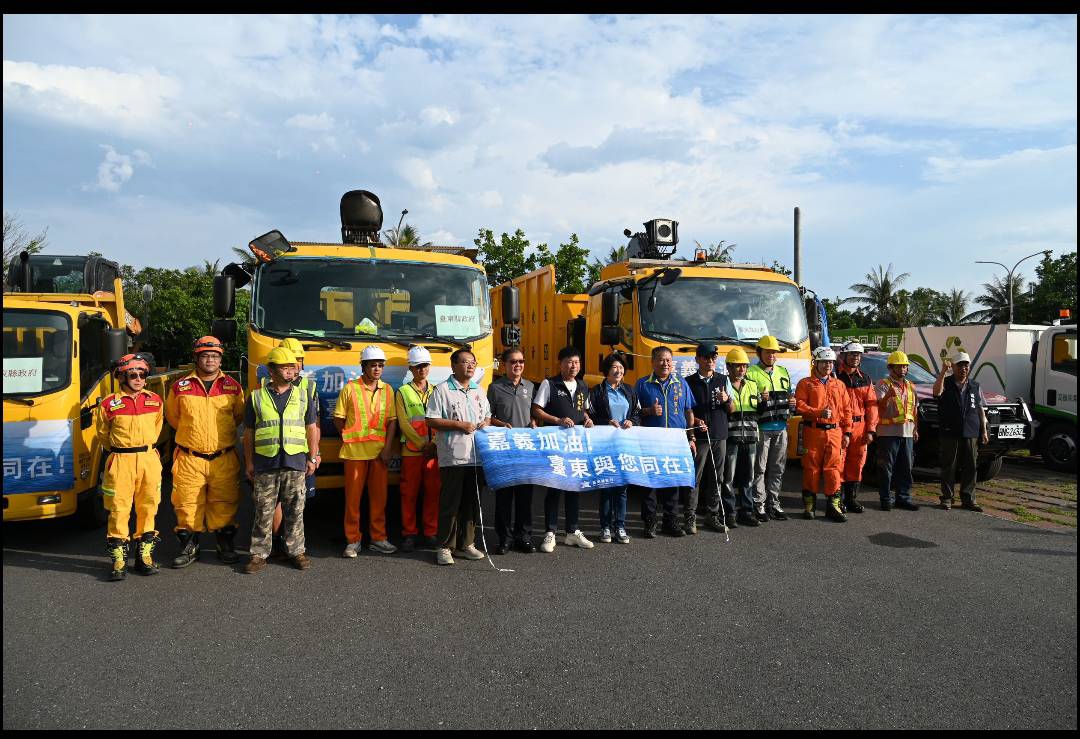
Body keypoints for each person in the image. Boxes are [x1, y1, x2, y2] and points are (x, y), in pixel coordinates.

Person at [166, 336, 246, 568]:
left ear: (221, 359)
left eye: (214, 355)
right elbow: (173, 418)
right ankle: (190, 546)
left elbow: (238, 416)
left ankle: (224, 544)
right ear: (197, 358)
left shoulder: (233, 386)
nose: (210, 359)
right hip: (190, 458)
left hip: (224, 457)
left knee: (225, 502)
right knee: (187, 503)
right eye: (205, 355)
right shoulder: (181, 387)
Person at [241, 347, 319, 574]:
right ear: (271, 370)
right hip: (266, 463)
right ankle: (258, 554)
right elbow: (249, 433)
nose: (290, 372)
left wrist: (312, 457)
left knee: (295, 510)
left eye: (292, 367)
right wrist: (249, 463)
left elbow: (311, 428)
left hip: (295, 462)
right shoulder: (256, 397)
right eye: (285, 368)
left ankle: (297, 551)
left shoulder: (303, 396)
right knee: (263, 511)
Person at [97, 354, 164, 581]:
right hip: (120, 461)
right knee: (118, 508)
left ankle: (144, 556)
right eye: (133, 375)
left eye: (142, 375)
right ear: (122, 377)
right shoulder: (108, 404)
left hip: (148, 459)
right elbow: (103, 435)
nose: (138, 379)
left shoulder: (155, 400)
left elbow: (157, 428)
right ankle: (118, 560)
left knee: (149, 507)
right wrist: (121, 451)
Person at [425, 347, 492, 566]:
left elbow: (488, 416)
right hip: (453, 456)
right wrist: (459, 424)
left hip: (477, 457)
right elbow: (431, 420)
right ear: (453, 366)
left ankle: (467, 544)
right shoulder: (442, 390)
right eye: (465, 362)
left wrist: (485, 423)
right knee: (450, 504)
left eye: (473, 362)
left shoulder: (478, 390)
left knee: (471, 504)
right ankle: (444, 547)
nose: (470, 365)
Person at [335, 345, 399, 557]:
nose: (377, 369)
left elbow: (391, 422)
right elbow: (338, 418)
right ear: (363, 366)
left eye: (380, 365)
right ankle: (353, 540)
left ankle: (378, 538)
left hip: (379, 453)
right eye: (373, 365)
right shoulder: (350, 388)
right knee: (352, 501)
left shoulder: (387, 390)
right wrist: (347, 436)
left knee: (379, 499)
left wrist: (388, 448)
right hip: (354, 453)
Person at [531, 346, 596, 552]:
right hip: (555, 445)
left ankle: (572, 532)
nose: (573, 366)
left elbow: (584, 410)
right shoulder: (549, 384)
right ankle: (550, 533)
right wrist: (557, 420)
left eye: (576, 362)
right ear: (560, 364)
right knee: (554, 487)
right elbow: (536, 410)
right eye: (569, 362)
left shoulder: (583, 386)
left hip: (576, 445)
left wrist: (587, 419)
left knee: (574, 487)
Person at [634, 346, 697, 538]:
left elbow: (689, 412)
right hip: (651, 441)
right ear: (652, 362)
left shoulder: (681, 383)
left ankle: (670, 522)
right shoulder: (642, 384)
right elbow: (634, 413)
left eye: (668, 360)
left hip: (675, 442)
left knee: (673, 482)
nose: (665, 363)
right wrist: (649, 411)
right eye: (661, 360)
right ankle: (650, 522)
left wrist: (691, 437)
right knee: (650, 483)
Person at [269, 337, 320, 558]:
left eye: (298, 360)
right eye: (291, 361)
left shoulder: (309, 386)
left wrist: (315, 453)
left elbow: (314, 423)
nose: (296, 365)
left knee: (297, 500)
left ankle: (293, 544)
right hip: (271, 455)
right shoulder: (265, 386)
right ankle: (276, 541)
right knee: (275, 501)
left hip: (298, 453)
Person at [487, 347, 538, 554]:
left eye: (521, 362)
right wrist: (500, 424)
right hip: (504, 449)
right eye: (513, 362)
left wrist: (535, 422)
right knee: (504, 497)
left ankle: (523, 537)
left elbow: (536, 413)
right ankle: (504, 538)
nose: (518, 365)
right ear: (505, 365)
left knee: (525, 497)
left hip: (526, 449)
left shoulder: (531, 386)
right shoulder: (495, 387)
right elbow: (487, 417)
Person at [795, 346, 853, 522]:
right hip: (813, 431)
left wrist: (848, 432)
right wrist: (817, 412)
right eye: (824, 362)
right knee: (811, 469)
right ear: (816, 363)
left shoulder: (839, 384)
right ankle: (809, 506)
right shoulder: (805, 383)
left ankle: (833, 506)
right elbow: (799, 405)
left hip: (835, 432)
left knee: (834, 470)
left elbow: (847, 409)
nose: (828, 365)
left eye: (830, 362)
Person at [588, 352, 640, 544]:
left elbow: (637, 413)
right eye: (614, 367)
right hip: (605, 445)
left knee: (622, 488)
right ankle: (605, 528)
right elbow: (590, 417)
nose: (618, 371)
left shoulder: (630, 390)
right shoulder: (597, 392)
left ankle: (620, 526)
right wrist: (605, 421)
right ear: (606, 371)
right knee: (607, 486)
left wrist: (631, 421)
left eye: (620, 367)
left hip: (625, 445)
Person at [396, 345, 441, 552]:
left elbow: (442, 420)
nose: (421, 369)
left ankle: (431, 532)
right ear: (411, 369)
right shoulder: (403, 392)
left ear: (429, 367)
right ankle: (409, 533)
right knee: (409, 494)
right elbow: (403, 423)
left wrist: (434, 444)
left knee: (433, 493)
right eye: (417, 366)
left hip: (433, 451)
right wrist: (424, 444)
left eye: (424, 365)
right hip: (412, 451)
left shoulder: (437, 391)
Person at [686, 343, 735, 533]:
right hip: (698, 437)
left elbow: (732, 409)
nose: (710, 361)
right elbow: (686, 410)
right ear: (698, 359)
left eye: (714, 357)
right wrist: (696, 421)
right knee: (695, 478)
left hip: (719, 435)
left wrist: (727, 400)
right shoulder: (688, 381)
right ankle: (690, 517)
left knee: (717, 478)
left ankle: (712, 515)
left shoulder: (724, 380)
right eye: (706, 357)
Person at [933, 351, 989, 512]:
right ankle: (947, 498)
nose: (964, 368)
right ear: (954, 367)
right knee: (949, 466)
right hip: (950, 431)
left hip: (971, 431)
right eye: (960, 365)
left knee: (971, 466)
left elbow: (980, 409)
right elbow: (936, 393)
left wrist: (983, 430)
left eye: (966, 365)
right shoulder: (947, 382)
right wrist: (943, 372)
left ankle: (968, 499)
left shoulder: (975, 386)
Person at [746, 335, 794, 522]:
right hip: (761, 428)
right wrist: (760, 400)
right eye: (768, 352)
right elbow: (748, 402)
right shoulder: (751, 373)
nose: (772, 355)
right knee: (759, 468)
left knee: (778, 468)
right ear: (760, 353)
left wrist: (792, 403)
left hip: (781, 427)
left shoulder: (783, 372)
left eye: (774, 352)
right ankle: (759, 504)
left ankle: (774, 503)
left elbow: (789, 396)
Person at [836, 341, 879, 513]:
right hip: (840, 427)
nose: (855, 357)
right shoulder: (835, 377)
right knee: (838, 464)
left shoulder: (865, 379)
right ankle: (836, 500)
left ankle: (851, 499)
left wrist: (871, 429)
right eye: (852, 354)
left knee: (857, 464)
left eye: (858, 355)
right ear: (843, 356)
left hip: (860, 427)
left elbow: (872, 406)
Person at [875, 351, 920, 512]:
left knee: (906, 467)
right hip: (887, 433)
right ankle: (886, 499)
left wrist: (915, 429)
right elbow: (878, 408)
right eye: (899, 366)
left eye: (905, 366)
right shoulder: (883, 384)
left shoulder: (911, 386)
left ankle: (903, 498)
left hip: (907, 433)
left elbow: (914, 410)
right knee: (886, 468)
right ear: (890, 368)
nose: (902, 369)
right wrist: (888, 396)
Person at [724, 348, 761, 527]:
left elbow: (758, 411)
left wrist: (765, 402)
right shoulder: (722, 385)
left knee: (748, 477)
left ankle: (747, 511)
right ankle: (729, 512)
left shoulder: (753, 385)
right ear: (729, 367)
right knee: (728, 478)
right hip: (731, 438)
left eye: (744, 366)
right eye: (737, 366)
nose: (741, 370)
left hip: (751, 438)